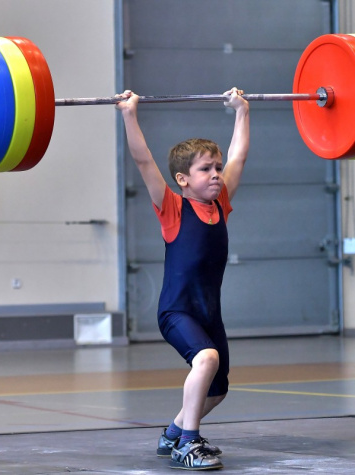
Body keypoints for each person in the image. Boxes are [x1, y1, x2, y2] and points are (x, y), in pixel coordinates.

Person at [116, 87, 249, 471]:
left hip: (209, 314)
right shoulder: (172, 208)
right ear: (183, 179)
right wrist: (129, 114)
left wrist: (242, 110)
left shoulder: (221, 205)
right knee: (206, 359)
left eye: (217, 168)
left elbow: (239, 155)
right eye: (206, 169)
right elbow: (143, 159)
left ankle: (172, 434)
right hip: (177, 312)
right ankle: (188, 444)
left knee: (218, 390)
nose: (216, 174)